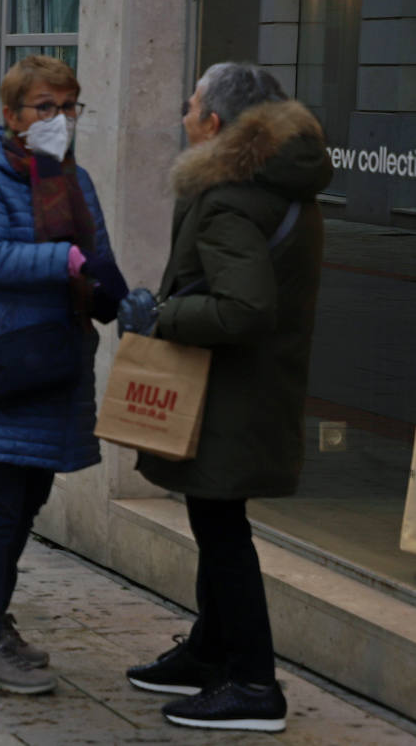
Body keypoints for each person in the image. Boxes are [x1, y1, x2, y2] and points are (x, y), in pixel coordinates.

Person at [124, 63, 331, 733]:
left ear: (213, 123)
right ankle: (211, 651)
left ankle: (251, 682)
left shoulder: (230, 198)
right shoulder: (279, 185)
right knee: (217, 523)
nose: (182, 117)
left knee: (222, 532)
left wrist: (162, 318)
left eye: (190, 107)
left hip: (231, 395)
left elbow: (243, 308)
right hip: (252, 389)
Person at [0, 55, 126, 695]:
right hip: (6, 365)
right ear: (13, 116)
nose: (59, 119)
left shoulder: (69, 177)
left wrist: (117, 296)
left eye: (69, 107)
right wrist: (66, 259)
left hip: (57, 365)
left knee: (29, 501)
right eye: (45, 108)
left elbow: (97, 255)